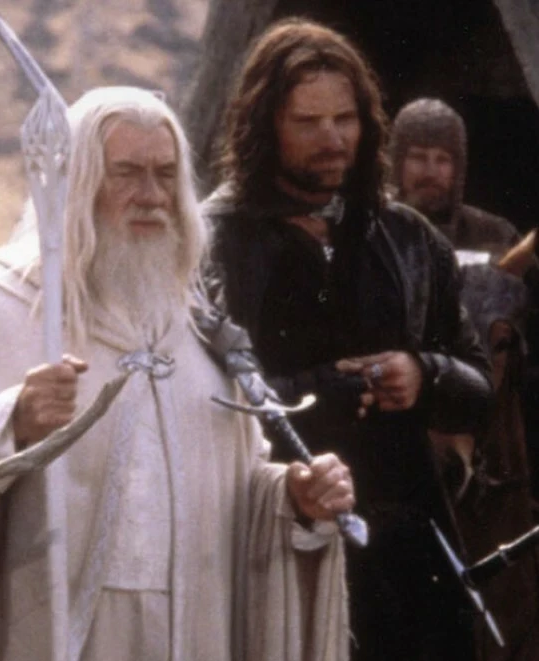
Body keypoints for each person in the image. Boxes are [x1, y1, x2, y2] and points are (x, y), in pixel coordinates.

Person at [0, 86, 356, 661]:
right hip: (49, 631)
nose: (151, 196)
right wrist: (10, 420)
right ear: (79, 183)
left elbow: (235, 484)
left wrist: (294, 500)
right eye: (126, 173)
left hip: (186, 634)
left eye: (165, 175)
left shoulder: (194, 324)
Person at [202, 19, 493, 661]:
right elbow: (199, 408)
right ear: (265, 125)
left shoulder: (408, 240)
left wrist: (424, 373)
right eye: (308, 122)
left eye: (346, 119)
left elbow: (480, 391)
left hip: (408, 562)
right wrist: (314, 395)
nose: (333, 139)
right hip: (274, 546)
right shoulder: (214, 246)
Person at [390, 97, 522, 254]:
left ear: (457, 167)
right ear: (398, 162)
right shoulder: (372, 234)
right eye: (419, 157)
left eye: (442, 160)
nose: (431, 172)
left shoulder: (495, 236)